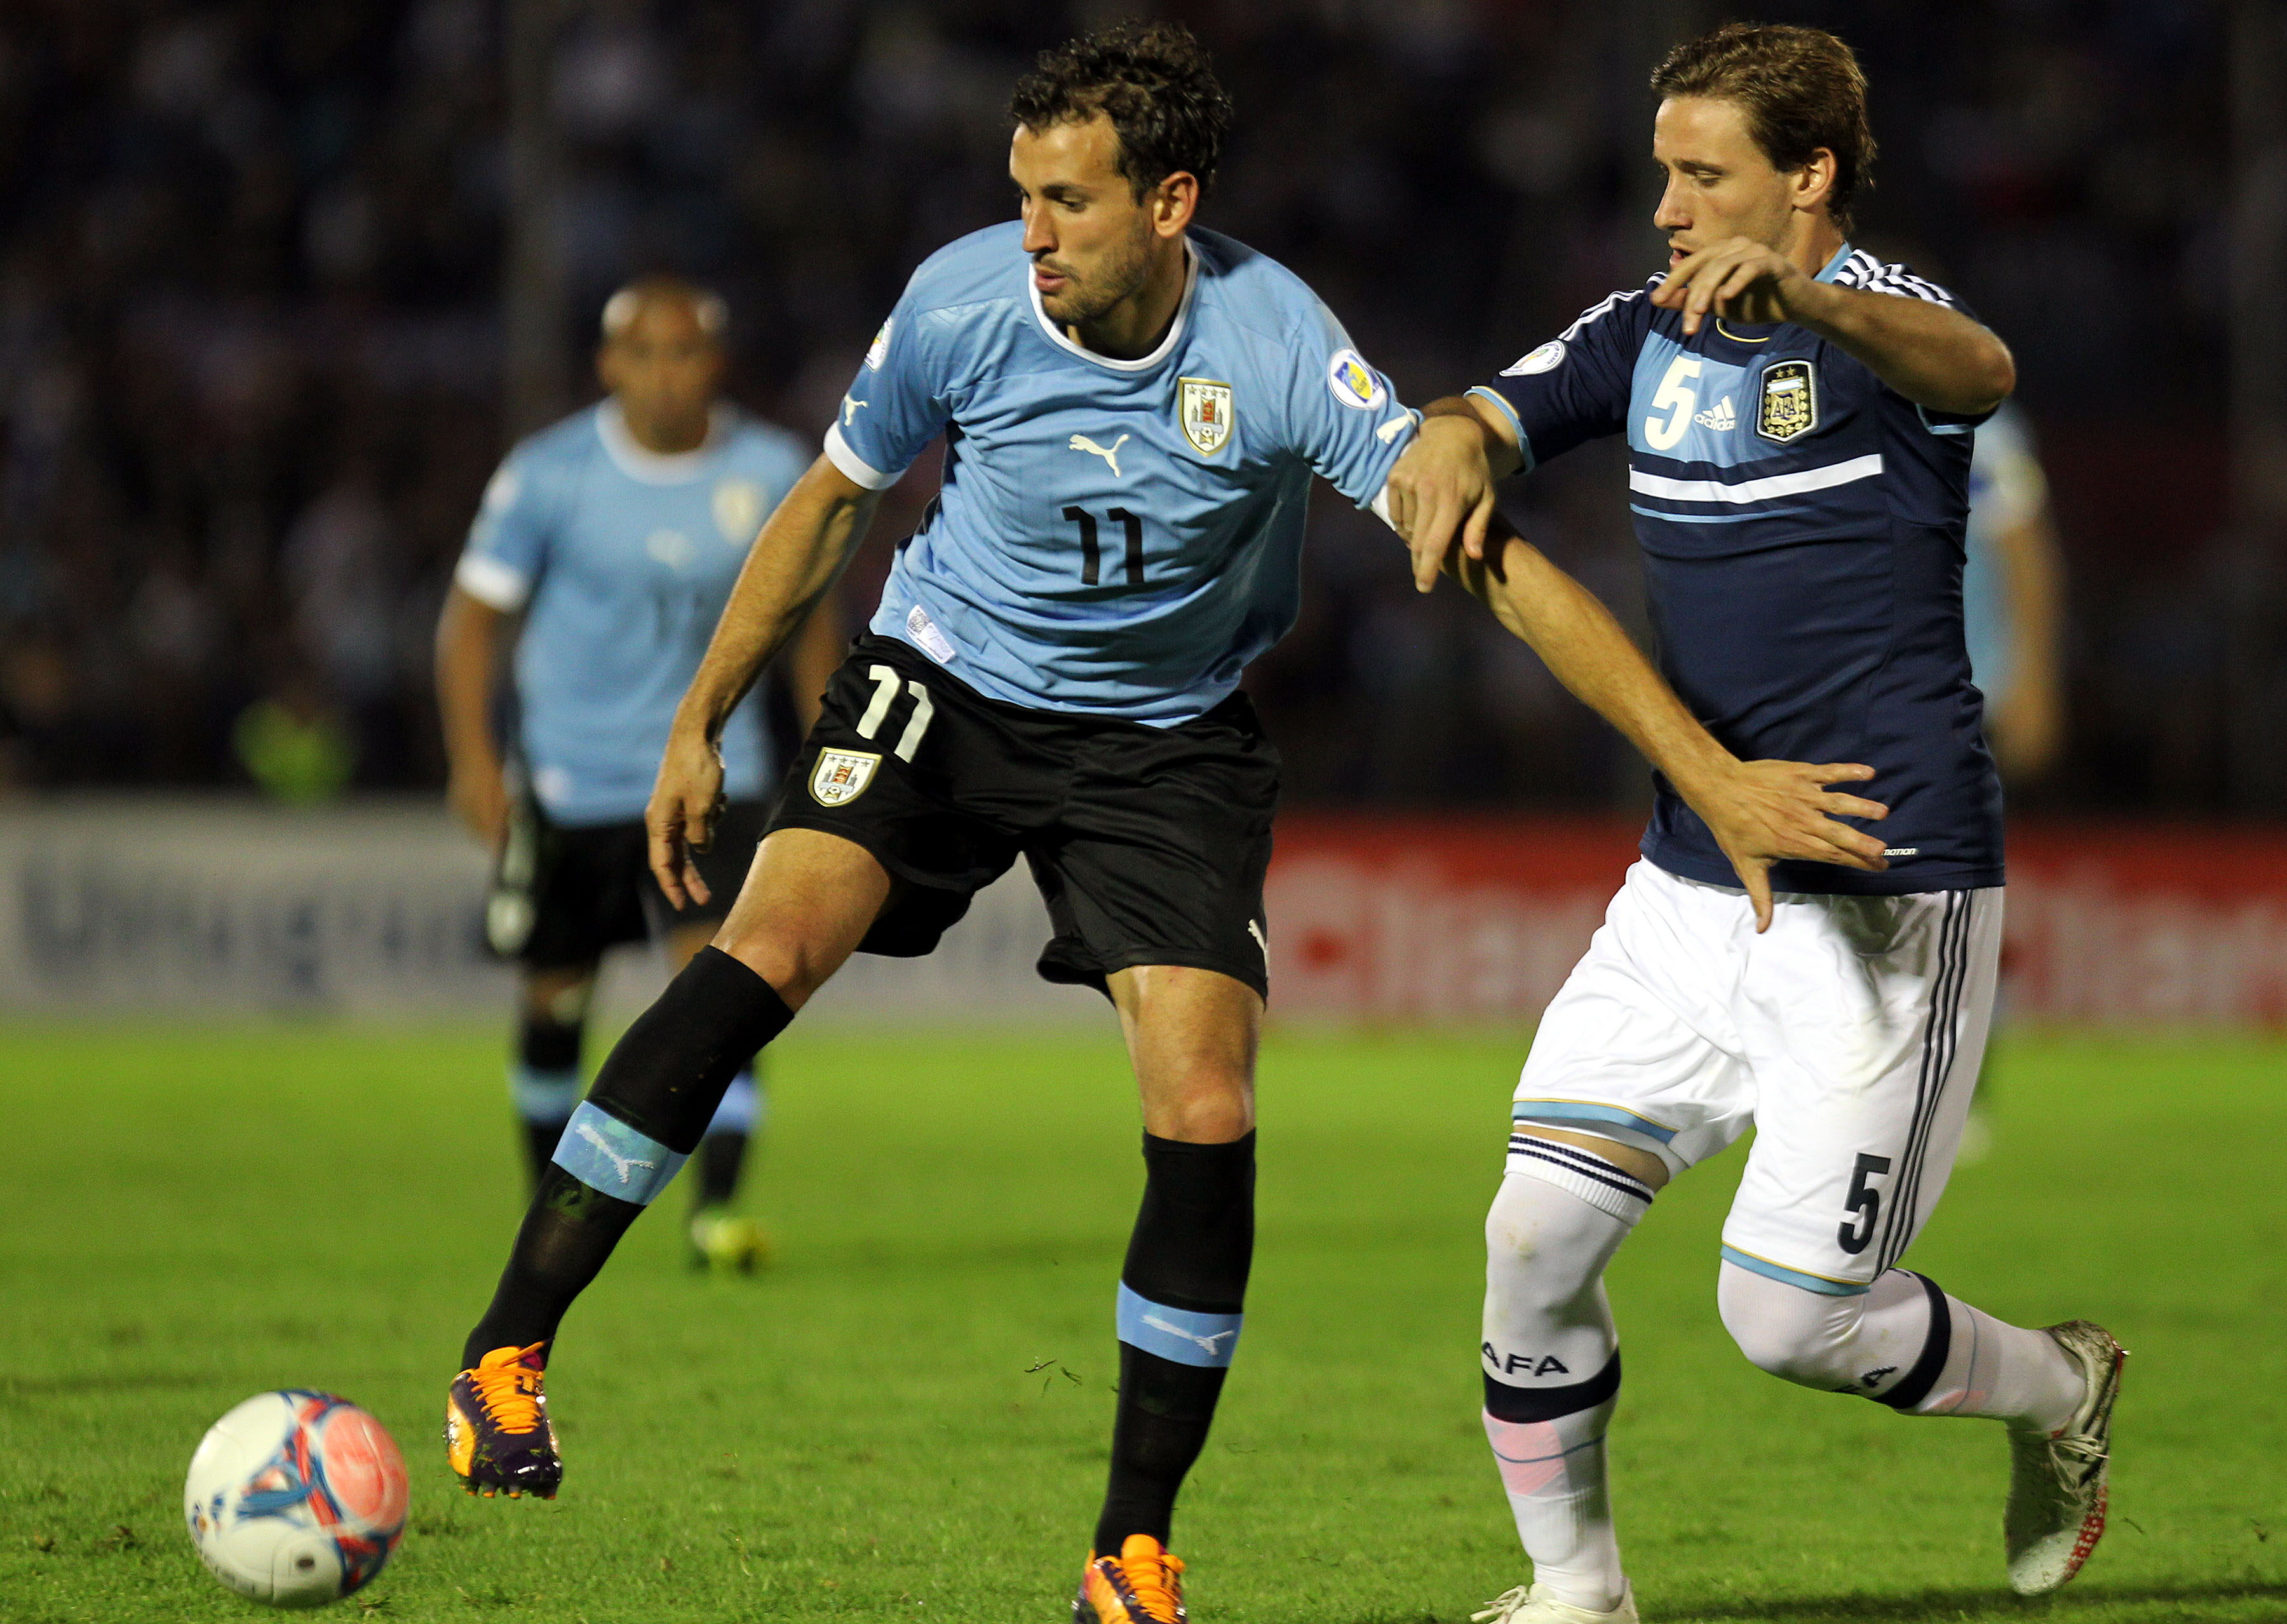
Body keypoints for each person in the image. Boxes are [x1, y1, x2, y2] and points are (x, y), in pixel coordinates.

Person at [442, 24, 1882, 1622]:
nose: (1033, 233)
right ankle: (506, 1352)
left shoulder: (1274, 347)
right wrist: (702, 715)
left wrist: (1699, 764)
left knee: (1204, 1108)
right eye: (1022, 194)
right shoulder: (962, 299)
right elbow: (834, 500)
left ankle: (1131, 1549)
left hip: (1166, 740)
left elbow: (1481, 555)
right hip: (946, 679)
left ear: (1171, 200)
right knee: (764, 947)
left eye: (1067, 200)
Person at [1390, 25, 2121, 1623]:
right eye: (1662, 168)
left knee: (1788, 1322)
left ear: (1808, 180)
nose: (1665, 203)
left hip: (1882, 891)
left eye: (1701, 172)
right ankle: (1575, 1590)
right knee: (1532, 1237)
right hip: (1685, 890)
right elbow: (1492, 411)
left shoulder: (1887, 329)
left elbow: (1984, 374)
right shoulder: (1639, 328)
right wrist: (1453, 426)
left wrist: (1808, 302)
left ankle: (2060, 1386)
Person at [434, 277, 839, 1273]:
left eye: (685, 352)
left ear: (718, 362)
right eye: (644, 354)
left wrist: (829, 752)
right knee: (556, 995)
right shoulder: (550, 473)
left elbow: (807, 626)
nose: (665, 375)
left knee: (722, 986)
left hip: (711, 771)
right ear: (609, 365)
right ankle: (551, 1203)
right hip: (573, 780)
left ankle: (715, 1213)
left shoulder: (771, 470)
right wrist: (475, 758)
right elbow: (471, 622)